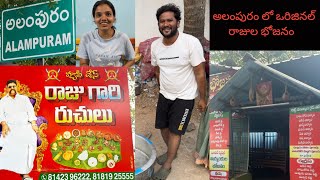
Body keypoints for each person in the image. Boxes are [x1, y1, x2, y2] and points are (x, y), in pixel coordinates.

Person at [150, 3, 207, 180]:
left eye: (169, 20)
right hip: (165, 94)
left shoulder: (190, 43)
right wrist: (161, 88)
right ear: (159, 24)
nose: (166, 24)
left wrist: (202, 98)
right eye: (162, 21)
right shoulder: (155, 46)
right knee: (162, 127)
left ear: (178, 22)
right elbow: (157, 69)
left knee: (176, 131)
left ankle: (168, 163)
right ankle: (171, 152)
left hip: (185, 96)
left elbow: (200, 73)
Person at [76, 0, 135, 68]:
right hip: (94, 76)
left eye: (108, 14)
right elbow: (83, 63)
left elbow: (132, 59)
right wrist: (94, 74)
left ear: (114, 18)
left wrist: (121, 71)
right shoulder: (87, 37)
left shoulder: (122, 37)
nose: (103, 18)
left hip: (115, 77)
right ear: (94, 19)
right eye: (99, 15)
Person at [0, 80, 38, 180]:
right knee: (7, 144)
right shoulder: (3, 101)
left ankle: (25, 174)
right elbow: (1, 115)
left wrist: (33, 124)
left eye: (14, 86)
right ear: (7, 88)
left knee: (30, 143)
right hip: (11, 128)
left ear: (17, 87)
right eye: (10, 87)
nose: (12, 88)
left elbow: (30, 112)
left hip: (26, 127)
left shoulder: (24, 99)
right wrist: (4, 124)